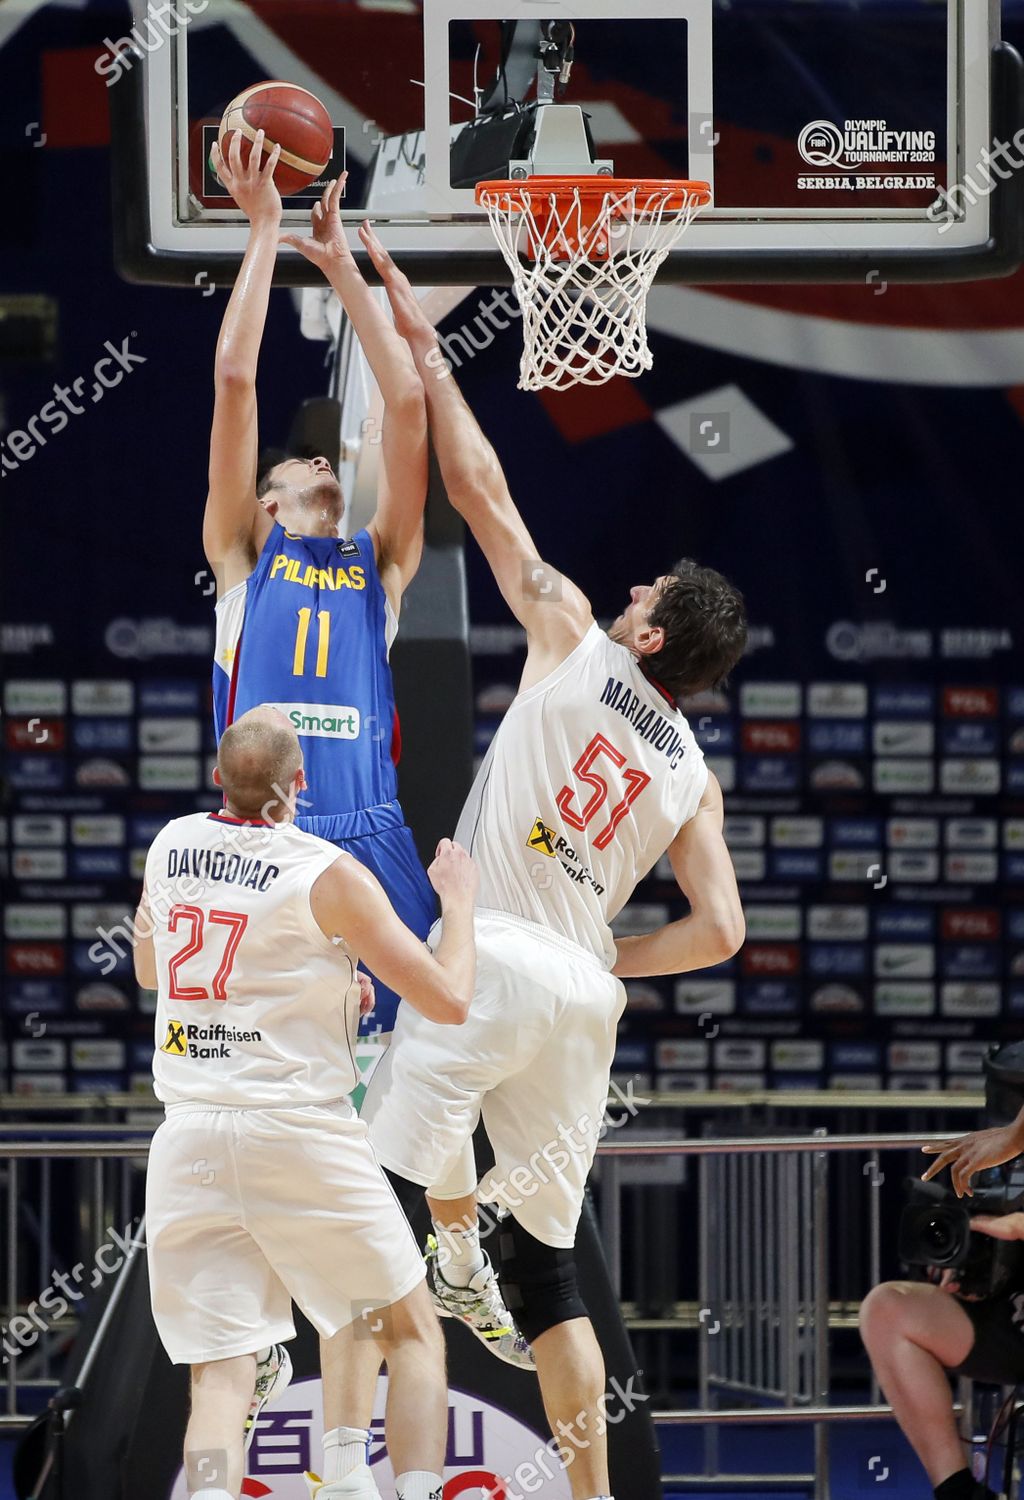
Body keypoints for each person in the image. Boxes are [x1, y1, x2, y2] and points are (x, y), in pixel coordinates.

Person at [346, 226, 749, 1500]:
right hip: (582, 997)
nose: (635, 583)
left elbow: (481, 490)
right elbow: (724, 931)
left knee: (363, 1215)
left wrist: (421, 337)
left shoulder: (574, 638)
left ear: (647, 626)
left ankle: (350, 1473)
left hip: (497, 961)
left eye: (652, 586)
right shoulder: (692, 771)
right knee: (552, 1278)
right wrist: (615, 953)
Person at [203, 131, 531, 1383]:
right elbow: (236, 382)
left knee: (436, 1051)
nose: (310, 469)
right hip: (270, 850)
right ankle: (268, 1306)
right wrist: (257, 237)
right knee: (276, 1081)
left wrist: (336, 260)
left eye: (314, 465)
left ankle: (453, 1252)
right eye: (291, 472)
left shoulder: (379, 568)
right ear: (264, 509)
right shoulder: (245, 568)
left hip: (375, 833)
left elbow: (402, 407)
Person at [138, 707, 478, 1500]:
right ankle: (409, 1486)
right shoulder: (327, 872)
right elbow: (449, 999)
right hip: (294, 1131)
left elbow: (156, 973)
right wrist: (457, 906)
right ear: (299, 786)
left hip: (188, 1140)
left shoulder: (169, 846)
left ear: (219, 778)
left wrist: (329, 997)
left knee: (221, 1378)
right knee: (412, 1329)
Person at [860, 1211, 1024, 1500]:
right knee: (886, 1309)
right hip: (1010, 1320)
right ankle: (958, 1491)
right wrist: (970, 1265)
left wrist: (1018, 1225)